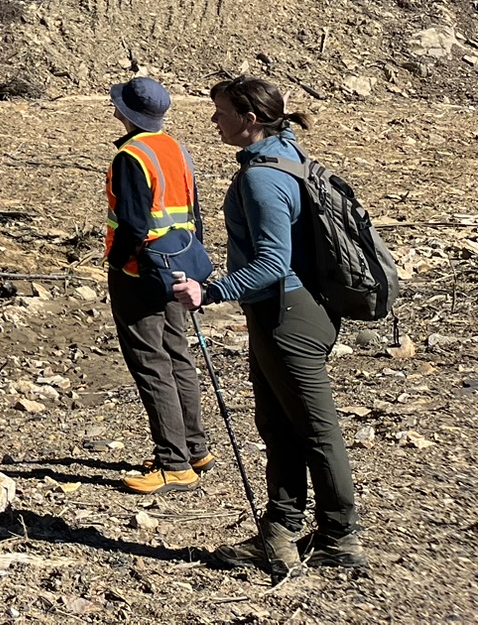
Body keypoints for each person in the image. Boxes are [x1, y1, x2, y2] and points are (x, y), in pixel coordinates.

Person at [171, 77, 365, 575]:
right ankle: (280, 530)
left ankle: (340, 537)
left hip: (288, 318)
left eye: (220, 112)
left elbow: (273, 263)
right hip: (300, 311)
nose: (214, 120)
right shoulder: (287, 154)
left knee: (315, 430)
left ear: (249, 118)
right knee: (280, 426)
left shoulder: (261, 177)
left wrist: (209, 291)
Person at [102, 76, 213, 493]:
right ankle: (194, 447)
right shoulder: (173, 147)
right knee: (177, 353)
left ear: (125, 112)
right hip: (177, 263)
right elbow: (194, 211)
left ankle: (173, 462)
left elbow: (131, 223)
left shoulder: (131, 156)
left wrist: (117, 263)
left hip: (139, 271)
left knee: (151, 363)